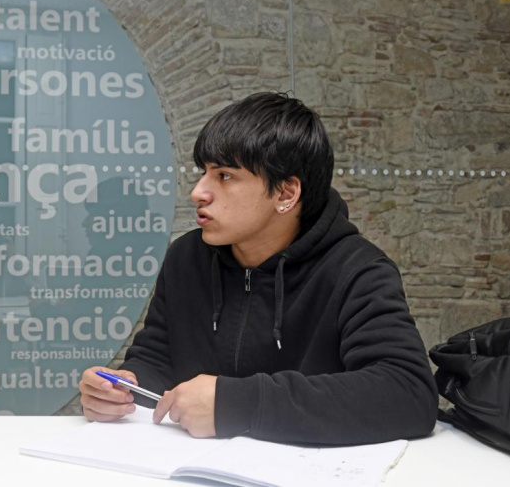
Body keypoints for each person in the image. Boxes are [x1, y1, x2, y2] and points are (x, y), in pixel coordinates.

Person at [78, 92, 438, 445]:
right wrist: (124, 388)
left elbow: (408, 393)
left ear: (285, 194)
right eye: (203, 172)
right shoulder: (186, 258)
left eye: (225, 176)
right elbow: (157, 359)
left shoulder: (357, 269)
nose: (198, 192)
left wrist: (236, 403)